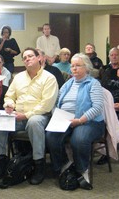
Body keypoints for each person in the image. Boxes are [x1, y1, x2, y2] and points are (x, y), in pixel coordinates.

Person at [0, 47, 58, 185]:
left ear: (39, 58)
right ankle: (1, 161)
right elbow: (9, 95)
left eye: (30, 56)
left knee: (34, 122)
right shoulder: (18, 77)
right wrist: (9, 105)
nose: (27, 59)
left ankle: (39, 164)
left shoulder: (49, 78)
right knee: (0, 120)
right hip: (17, 114)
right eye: (25, 57)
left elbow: (46, 105)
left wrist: (26, 115)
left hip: (40, 115)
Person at [46, 53, 105, 190]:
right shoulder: (68, 84)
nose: (74, 68)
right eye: (72, 66)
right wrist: (57, 115)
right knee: (50, 136)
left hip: (89, 121)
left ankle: (82, 170)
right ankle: (64, 165)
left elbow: (97, 107)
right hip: (65, 120)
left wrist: (80, 120)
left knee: (78, 139)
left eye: (78, 65)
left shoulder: (93, 83)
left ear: (87, 67)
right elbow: (55, 103)